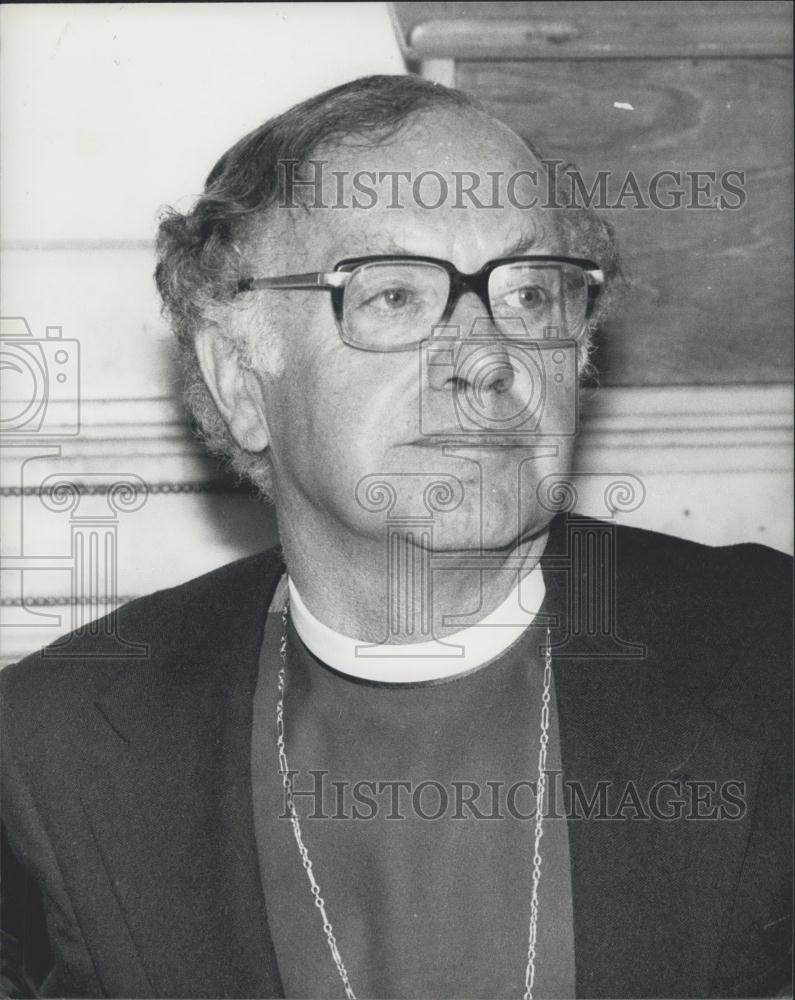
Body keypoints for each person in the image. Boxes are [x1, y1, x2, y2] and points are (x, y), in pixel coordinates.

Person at [1, 74, 791, 1000]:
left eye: (531, 294)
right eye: (393, 297)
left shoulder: (768, 655)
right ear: (241, 381)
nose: (487, 356)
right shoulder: (58, 750)